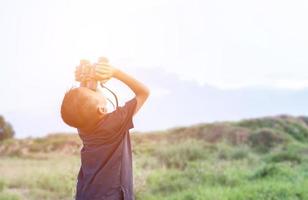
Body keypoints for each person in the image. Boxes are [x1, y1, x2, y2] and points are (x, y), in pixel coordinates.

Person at [60, 59, 150, 200]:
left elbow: (84, 102)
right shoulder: (115, 122)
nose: (92, 88)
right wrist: (115, 72)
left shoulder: (83, 127)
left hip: (87, 193)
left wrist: (87, 77)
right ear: (102, 109)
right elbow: (144, 92)